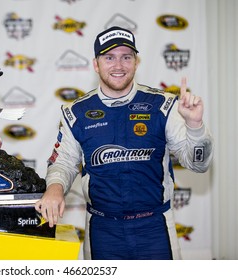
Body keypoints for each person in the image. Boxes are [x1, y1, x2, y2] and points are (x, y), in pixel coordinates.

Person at [35, 26, 213, 260]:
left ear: (136, 62)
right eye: (109, 57)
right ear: (96, 64)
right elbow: (64, 162)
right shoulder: (76, 112)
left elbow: (198, 165)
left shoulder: (163, 105)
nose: (118, 66)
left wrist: (195, 125)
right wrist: (54, 189)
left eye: (126, 57)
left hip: (155, 227)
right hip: (102, 229)